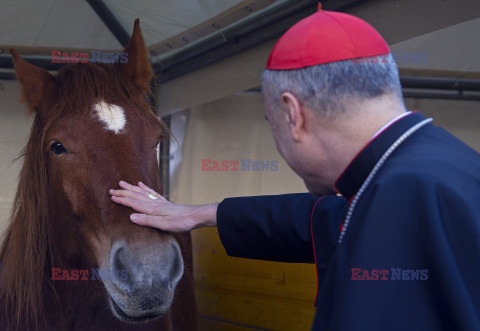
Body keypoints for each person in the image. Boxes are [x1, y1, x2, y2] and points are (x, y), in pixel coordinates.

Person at [110, 5, 480, 330]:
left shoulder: (405, 195)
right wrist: (198, 213)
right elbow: (322, 218)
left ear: (292, 114)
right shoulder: (424, 171)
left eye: (271, 122)